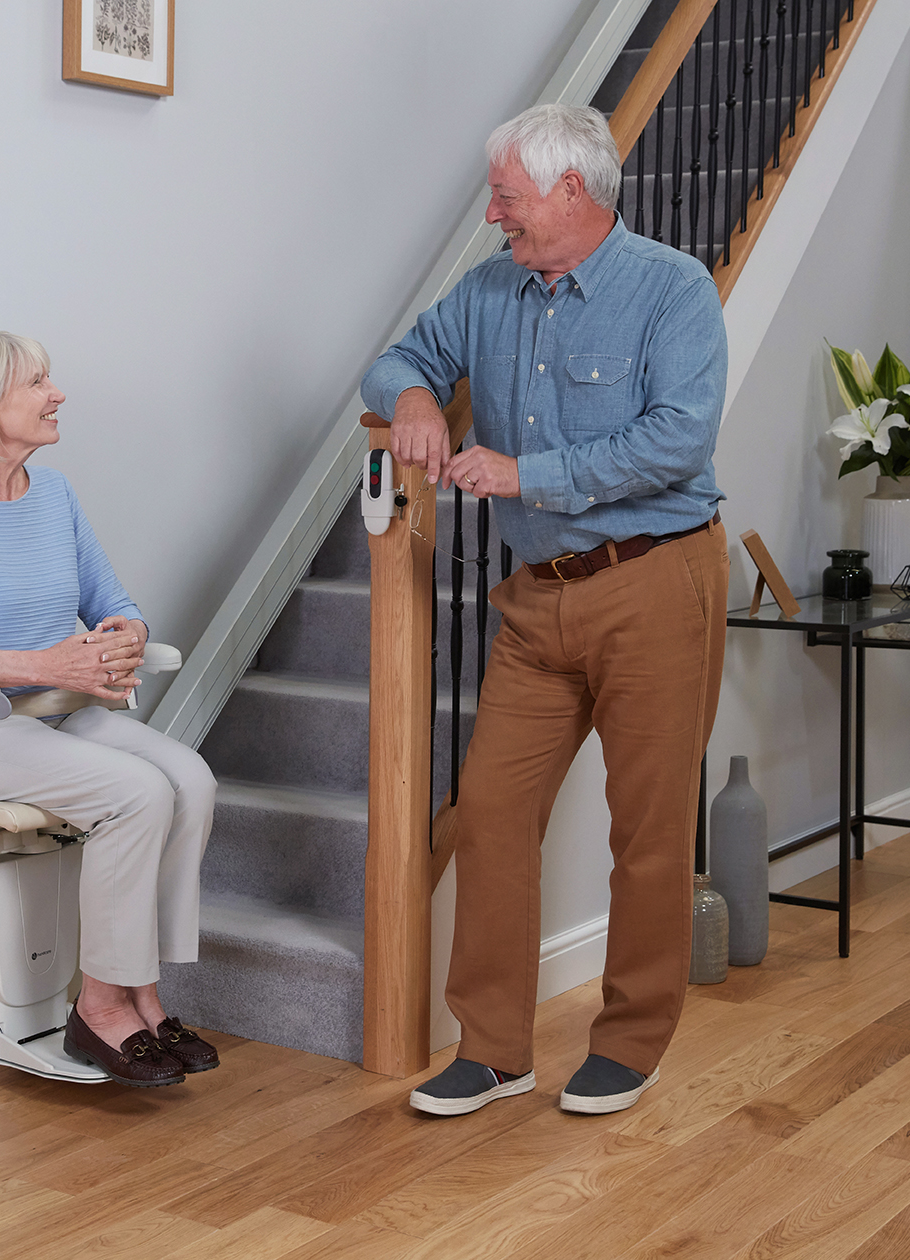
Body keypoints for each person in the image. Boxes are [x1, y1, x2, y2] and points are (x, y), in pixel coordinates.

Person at [362, 103, 728, 1117]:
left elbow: (678, 442)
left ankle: (631, 1039)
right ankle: (493, 1047)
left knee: (647, 828)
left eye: (508, 197)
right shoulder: (490, 292)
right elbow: (395, 360)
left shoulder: (672, 290)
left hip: (656, 580)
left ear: (574, 192)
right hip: (536, 604)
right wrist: (418, 401)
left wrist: (530, 474)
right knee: (489, 814)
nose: (494, 215)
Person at [0, 331, 220, 1087]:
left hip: (62, 715)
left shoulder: (56, 494)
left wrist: (126, 636)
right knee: (135, 793)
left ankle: (140, 989)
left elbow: (114, 602)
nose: (57, 392)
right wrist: (38, 664)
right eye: (37, 381)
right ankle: (99, 1007)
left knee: (191, 780)